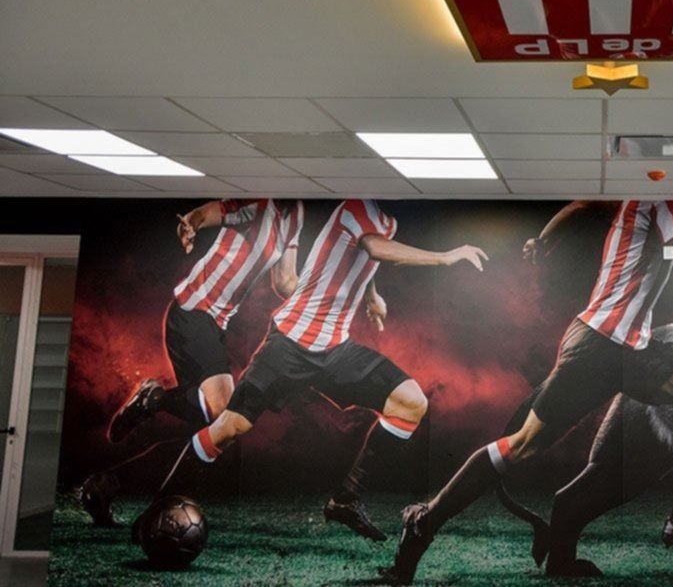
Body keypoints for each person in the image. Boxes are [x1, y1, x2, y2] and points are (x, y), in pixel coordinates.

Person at [388, 200, 673, 583]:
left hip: (633, 347)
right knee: (523, 445)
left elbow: (590, 205)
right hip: (598, 346)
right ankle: (425, 520)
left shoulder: (637, 200)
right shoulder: (661, 197)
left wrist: (544, 239)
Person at [143, 199, 488, 542]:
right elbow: (373, 247)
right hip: (290, 344)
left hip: (335, 349)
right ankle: (155, 514)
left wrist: (371, 296)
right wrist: (446, 257)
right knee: (228, 428)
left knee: (411, 403)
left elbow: (366, 254)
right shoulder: (357, 206)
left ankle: (345, 500)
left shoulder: (387, 220)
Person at [78, 199, 303, 526]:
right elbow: (211, 213)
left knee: (213, 433)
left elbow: (284, 281)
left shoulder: (295, 214)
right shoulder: (257, 202)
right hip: (193, 314)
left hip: (214, 325)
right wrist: (193, 223)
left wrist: (323, 296)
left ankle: (105, 486)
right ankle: (154, 400)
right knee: (225, 415)